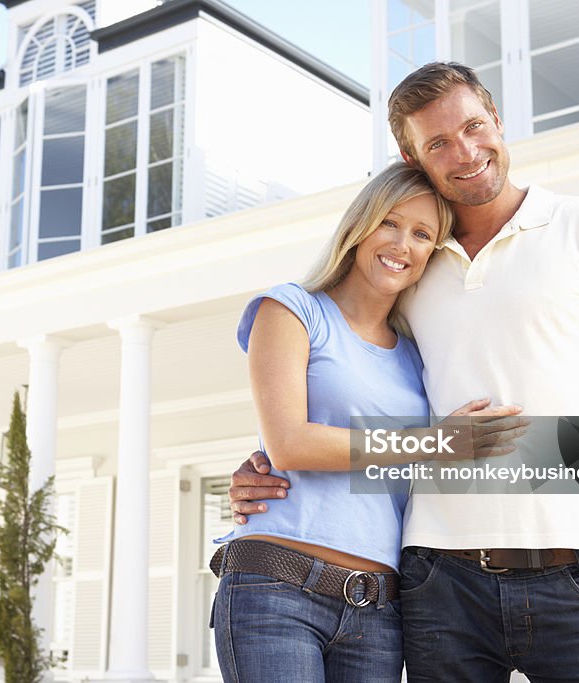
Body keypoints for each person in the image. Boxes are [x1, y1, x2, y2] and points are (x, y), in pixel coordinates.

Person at [229, 62, 579, 682]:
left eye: (474, 127)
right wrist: (270, 458)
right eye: (439, 142)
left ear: (497, 121)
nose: (466, 152)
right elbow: (350, 372)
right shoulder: (412, 263)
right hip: (436, 582)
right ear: (410, 154)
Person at [212, 162, 524, 683]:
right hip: (275, 587)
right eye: (390, 223)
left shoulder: (419, 359)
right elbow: (290, 443)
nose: (402, 244)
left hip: (377, 608)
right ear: (359, 226)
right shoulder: (292, 309)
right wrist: (437, 442)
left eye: (422, 234)